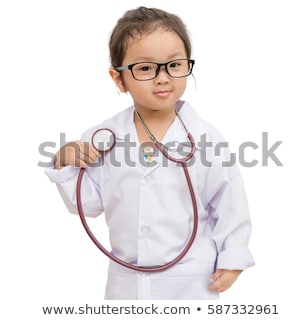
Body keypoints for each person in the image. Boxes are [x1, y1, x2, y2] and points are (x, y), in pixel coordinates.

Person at [45, 6, 255, 300]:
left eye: (174, 65)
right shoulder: (101, 138)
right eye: (145, 68)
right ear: (119, 79)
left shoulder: (206, 137)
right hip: (126, 284)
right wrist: (65, 162)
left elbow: (229, 201)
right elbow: (88, 205)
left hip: (193, 281)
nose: (162, 77)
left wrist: (233, 258)